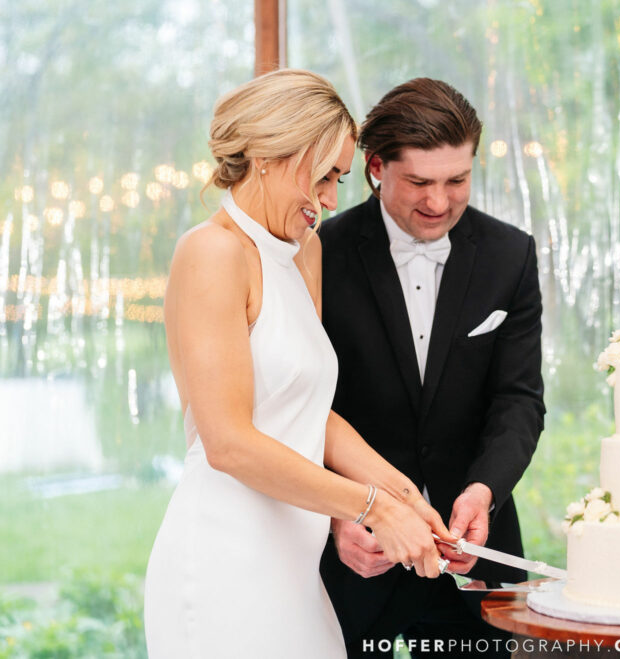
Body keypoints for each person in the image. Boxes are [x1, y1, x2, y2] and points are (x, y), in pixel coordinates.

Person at [144, 69, 453, 659]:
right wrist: (371, 507)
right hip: (222, 564)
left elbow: (311, 411)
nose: (331, 200)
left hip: (293, 563)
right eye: (323, 177)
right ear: (268, 155)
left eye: (338, 178)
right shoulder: (211, 253)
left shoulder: (302, 251)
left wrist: (404, 497)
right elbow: (229, 443)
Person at [318, 78, 545, 658]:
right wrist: (341, 516)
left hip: (472, 560)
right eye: (419, 182)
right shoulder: (319, 253)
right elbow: (305, 406)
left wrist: (484, 491)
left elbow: (519, 399)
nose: (439, 202)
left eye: (457, 180)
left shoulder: (510, 254)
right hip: (353, 557)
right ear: (375, 167)